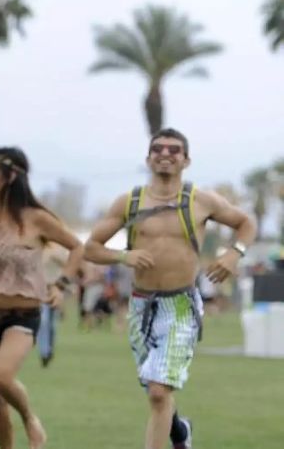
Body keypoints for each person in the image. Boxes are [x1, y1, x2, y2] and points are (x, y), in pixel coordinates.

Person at [84, 128, 257, 449]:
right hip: (140, 305)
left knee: (159, 392)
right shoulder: (129, 202)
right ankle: (181, 433)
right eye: (158, 148)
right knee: (155, 389)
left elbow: (247, 224)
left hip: (180, 306)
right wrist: (124, 255)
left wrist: (234, 254)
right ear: (148, 158)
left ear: (186, 160)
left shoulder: (202, 201)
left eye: (174, 150)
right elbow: (90, 248)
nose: (165, 153)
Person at [0, 148, 83, 449]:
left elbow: (77, 247)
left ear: (11, 176)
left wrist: (60, 285)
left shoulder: (35, 218)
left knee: (0, 377)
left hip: (22, 315)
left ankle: (29, 419)